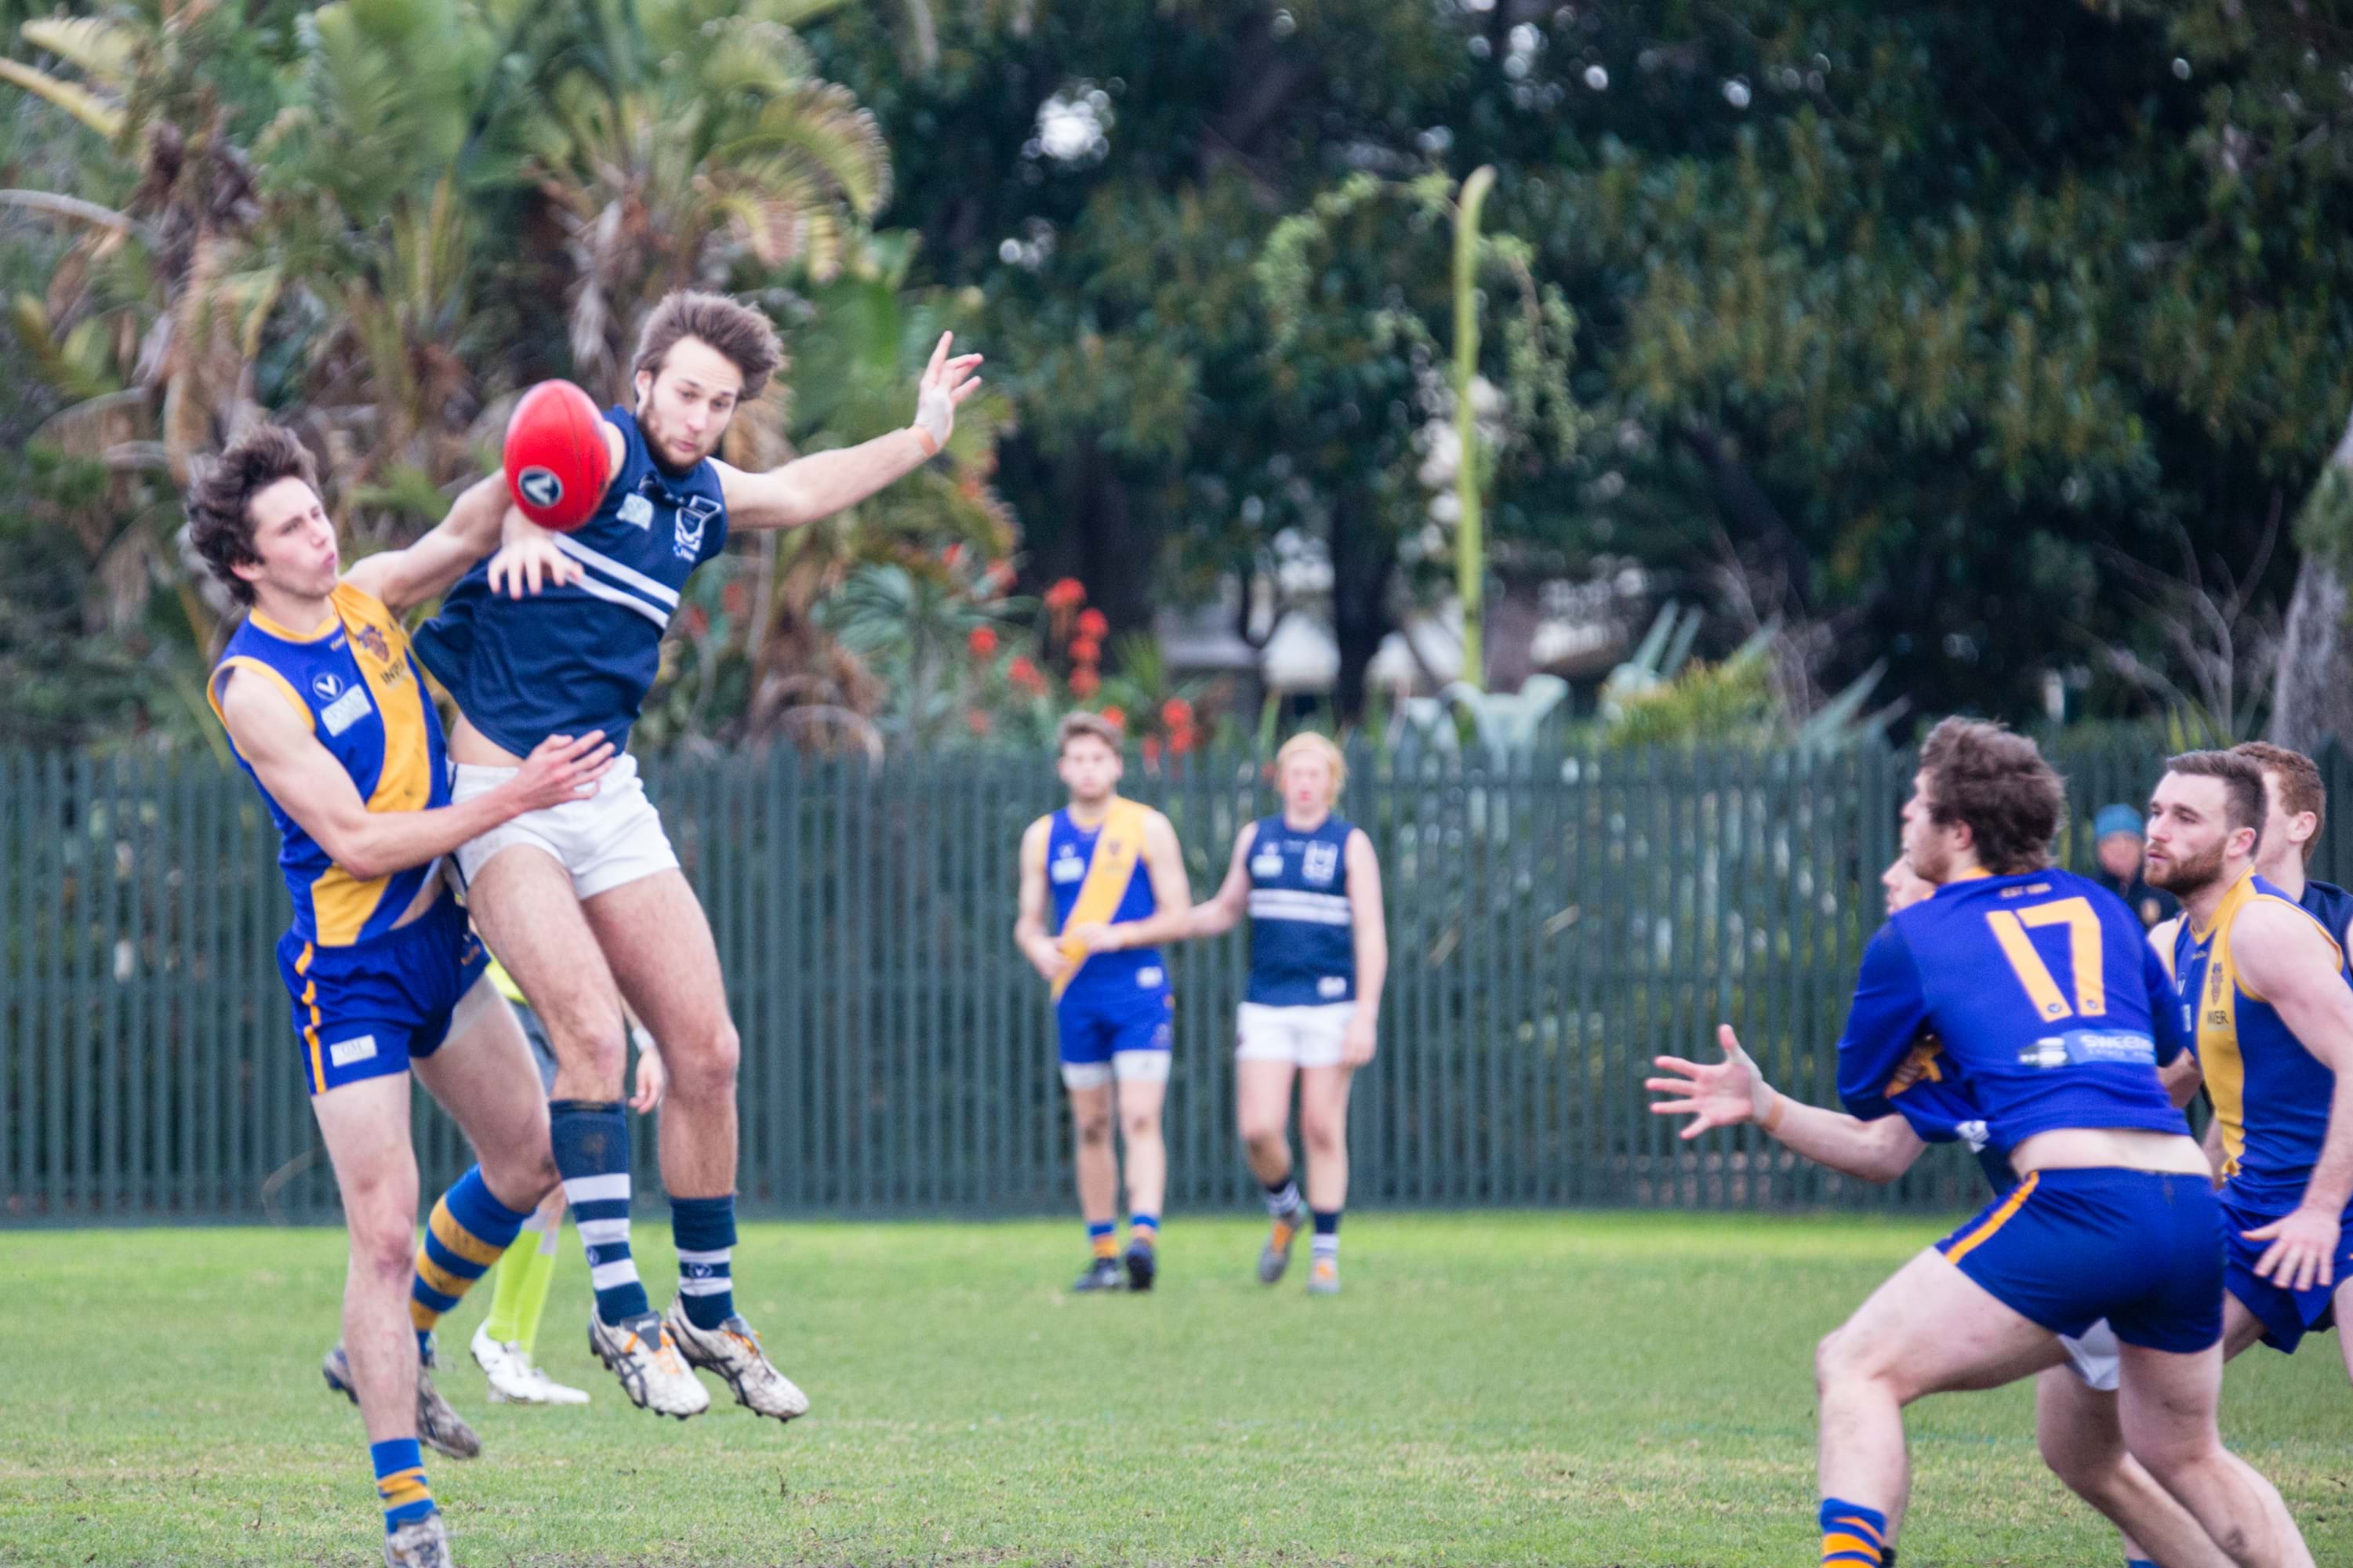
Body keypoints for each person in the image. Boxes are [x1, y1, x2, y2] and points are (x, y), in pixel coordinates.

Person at [413, 292, 982, 1419]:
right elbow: (523, 469)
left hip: (605, 793)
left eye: (719, 404)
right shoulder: (590, 450)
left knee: (707, 1052)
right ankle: (619, 1313)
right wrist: (524, 523)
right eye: (684, 392)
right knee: (589, 1039)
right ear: (642, 382)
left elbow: (804, 488)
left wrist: (921, 436)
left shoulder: (703, 495)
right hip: (503, 798)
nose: (697, 417)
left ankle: (706, 1312)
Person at [189, 426, 612, 1567]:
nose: (320, 534)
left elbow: (468, 526)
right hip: (353, 975)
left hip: (441, 945)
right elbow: (360, 841)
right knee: (382, 1230)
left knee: (534, 1156)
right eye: (291, 528)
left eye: (318, 511)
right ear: (246, 562)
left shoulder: (369, 599)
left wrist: (550, 458)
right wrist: (514, 796)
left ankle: (396, 1338)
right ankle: (409, 1515)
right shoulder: (251, 686)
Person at [1800, 719, 2311, 1568]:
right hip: (2187, 1202)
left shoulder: (1915, 937)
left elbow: (1863, 1093)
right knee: (2184, 1454)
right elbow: (2164, 1043)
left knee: (1856, 1365)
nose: (1906, 817)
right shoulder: (2099, 905)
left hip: (2080, 1202)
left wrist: (1945, 1062)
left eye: (1918, 805)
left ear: (1960, 831)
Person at [1650, 856, 2230, 1568]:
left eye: (1910, 859)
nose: (1890, 877)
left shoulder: (2009, 976)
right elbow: (1879, 1147)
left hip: (2089, 1219)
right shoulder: (1958, 998)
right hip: (2120, 1230)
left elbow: (2178, 1062)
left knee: (1861, 1367)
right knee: (2093, 1458)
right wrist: (1764, 1105)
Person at [2140, 748, 2353, 1386]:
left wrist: (2321, 1208)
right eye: (2155, 812)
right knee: (2144, 1380)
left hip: (2334, 1199)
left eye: (2184, 816)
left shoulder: (2264, 928)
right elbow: (2180, 1081)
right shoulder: (2172, 943)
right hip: (2260, 1201)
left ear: (2243, 838)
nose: (2157, 830)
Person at [1181, 733, 1386, 1295]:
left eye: (1315, 773)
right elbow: (1225, 909)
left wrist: (1365, 1014)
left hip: (1331, 1004)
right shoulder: (1257, 838)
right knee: (1258, 1129)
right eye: (1295, 772)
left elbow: (1370, 933)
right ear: (1281, 779)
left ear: (1331, 782)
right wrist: (1162, 924)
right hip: (1267, 1004)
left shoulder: (1350, 844)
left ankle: (1325, 1257)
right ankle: (1286, 1209)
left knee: (1321, 1124)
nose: (1304, 783)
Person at [1014, 712, 1194, 1291]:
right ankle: (1103, 1254)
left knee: (1139, 1115)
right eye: (1078, 760)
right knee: (1092, 1123)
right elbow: (1027, 921)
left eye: (1098, 758)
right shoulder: (1043, 836)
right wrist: (1036, 947)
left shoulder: (1147, 828)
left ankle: (1143, 1240)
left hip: (1139, 991)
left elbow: (1179, 915)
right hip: (1076, 995)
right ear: (1062, 768)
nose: (1088, 769)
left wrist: (1120, 936)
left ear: (1116, 765)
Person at [467, 956, 667, 1406]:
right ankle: (497, 1335)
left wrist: (647, 1043)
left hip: (564, 1012)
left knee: (557, 1183)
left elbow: (608, 948)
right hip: (508, 1005)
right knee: (537, 1165)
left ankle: (515, 1357)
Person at [2094, 804, 2178, 931]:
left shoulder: (2162, 890)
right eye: (2111, 841)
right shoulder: (2091, 893)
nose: (2122, 848)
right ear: (2100, 849)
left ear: (2142, 846)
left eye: (2129, 840)